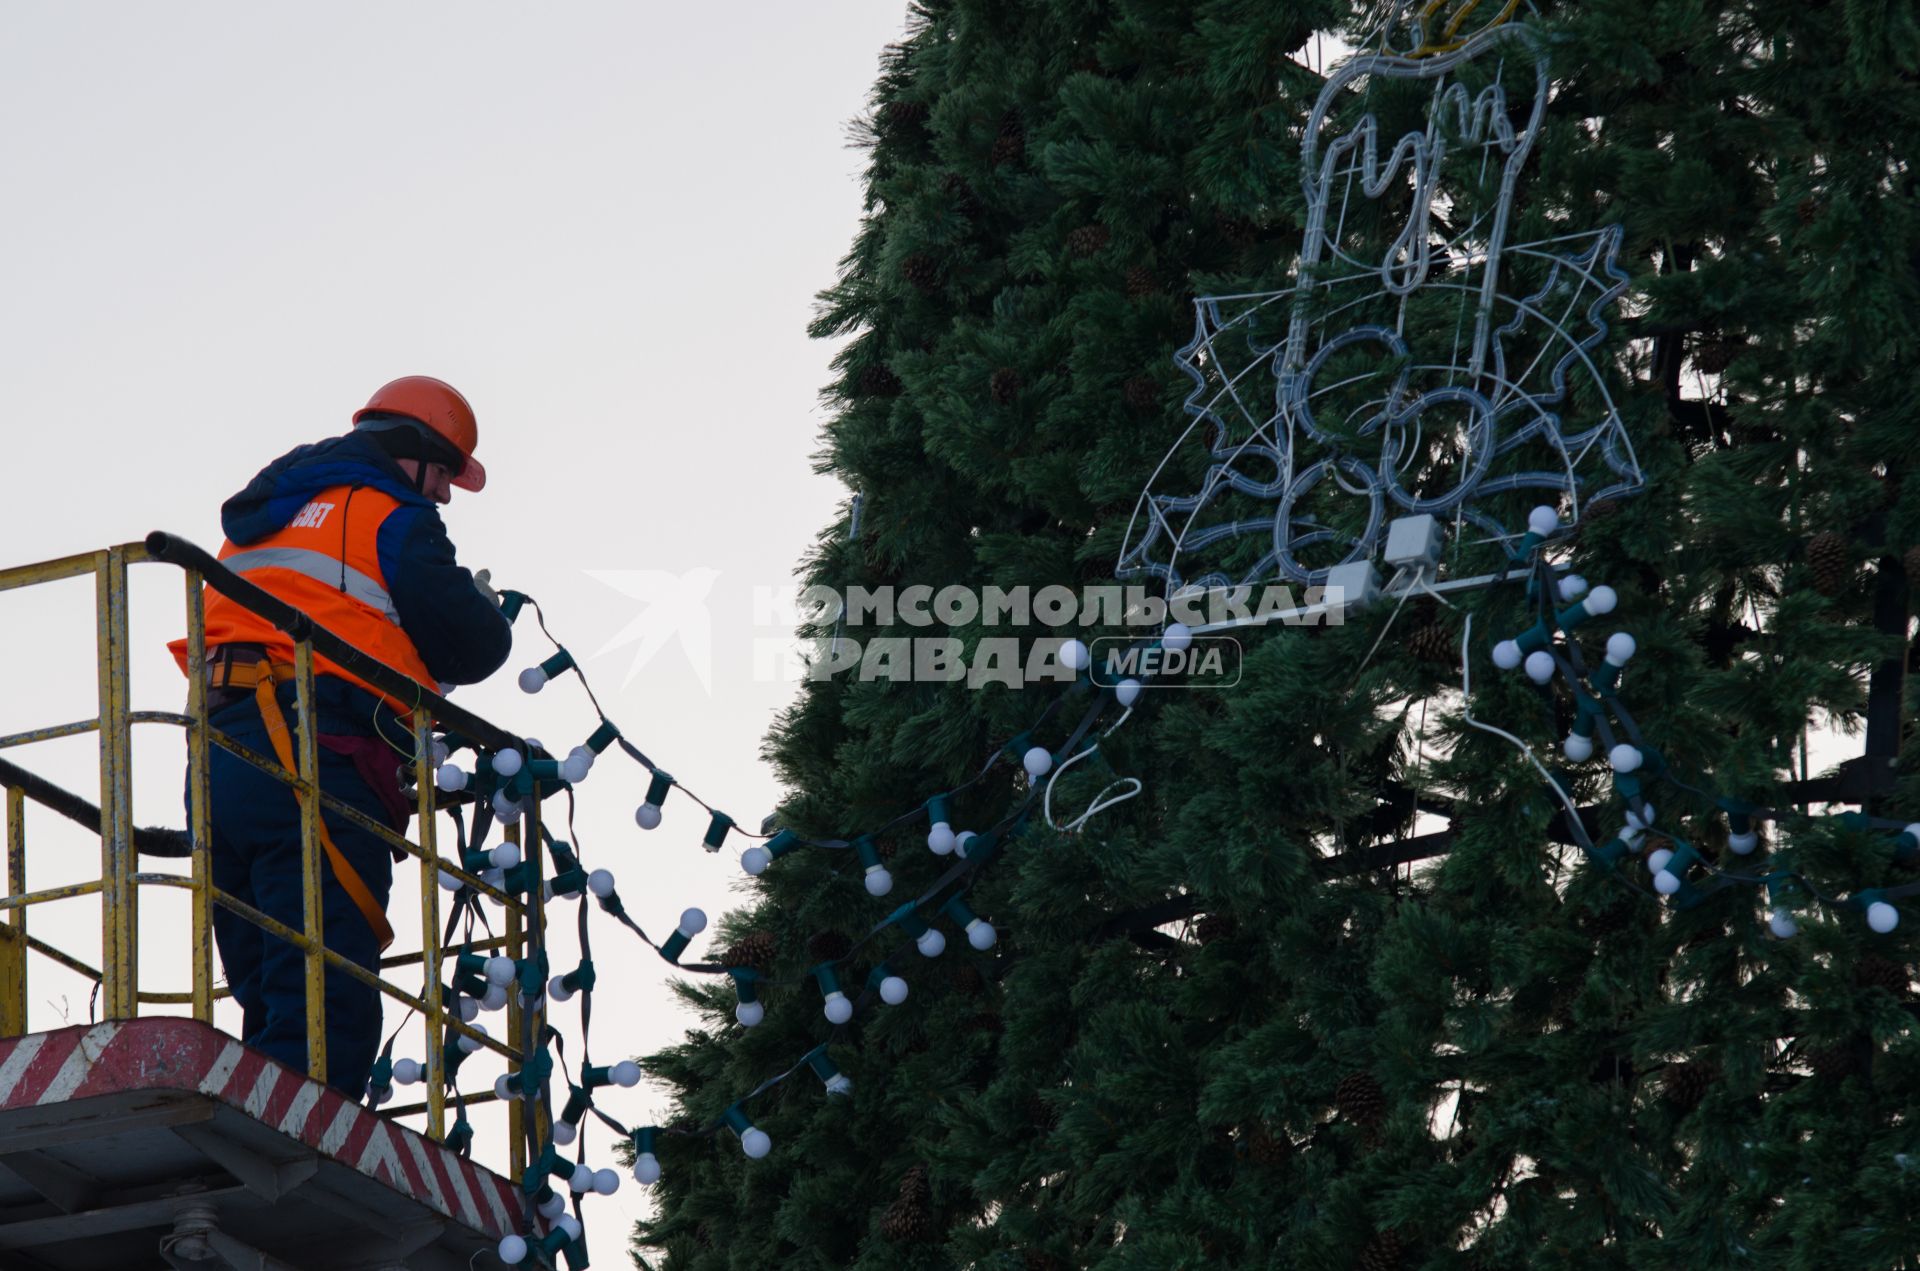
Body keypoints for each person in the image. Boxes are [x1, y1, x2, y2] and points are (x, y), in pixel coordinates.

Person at [168, 375, 512, 1097]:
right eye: (445, 473)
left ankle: (258, 1125)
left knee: (267, 978)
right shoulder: (393, 513)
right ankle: (295, 1155)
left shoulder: (265, 516)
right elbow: (474, 644)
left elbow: (341, 616)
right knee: (327, 989)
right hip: (314, 751)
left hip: (219, 754)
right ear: (415, 452)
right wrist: (483, 608)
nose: (444, 494)